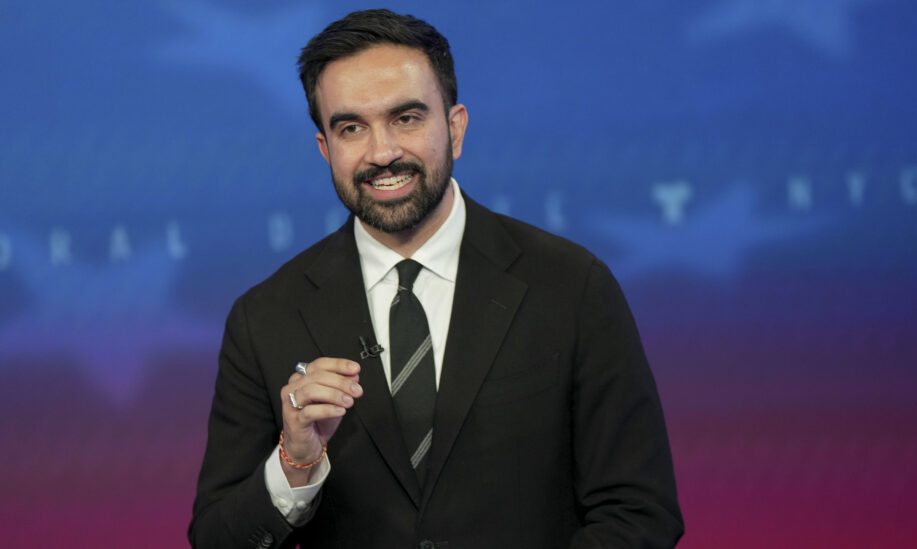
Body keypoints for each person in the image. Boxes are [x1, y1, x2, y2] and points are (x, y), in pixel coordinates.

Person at [189, 9, 683, 549]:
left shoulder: (572, 286)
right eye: (351, 128)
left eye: (407, 118)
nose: (382, 153)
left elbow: (639, 513)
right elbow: (218, 539)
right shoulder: (265, 318)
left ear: (455, 127)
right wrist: (296, 462)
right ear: (325, 149)